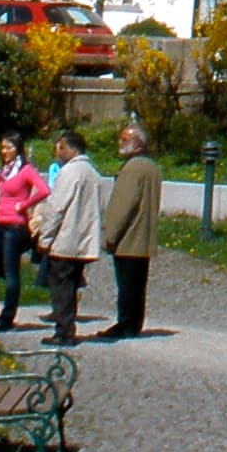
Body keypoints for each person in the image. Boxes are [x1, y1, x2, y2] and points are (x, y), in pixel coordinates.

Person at [29, 127, 105, 347]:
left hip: (65, 240)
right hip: (82, 241)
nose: (57, 152)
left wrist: (44, 239)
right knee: (71, 287)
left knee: (60, 287)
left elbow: (56, 209)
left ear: (71, 148)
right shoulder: (93, 173)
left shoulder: (69, 173)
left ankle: (64, 332)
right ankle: (68, 327)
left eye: (60, 147)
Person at [0, 135, 47, 331]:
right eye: (2, 148)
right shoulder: (6, 171)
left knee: (11, 273)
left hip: (15, 228)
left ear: (17, 148)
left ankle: (7, 318)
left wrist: (23, 205)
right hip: (0, 224)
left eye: (8, 148)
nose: (4, 152)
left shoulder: (26, 170)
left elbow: (44, 190)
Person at [100, 121, 163, 339]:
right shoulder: (152, 167)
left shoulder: (132, 169)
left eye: (124, 140)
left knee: (126, 286)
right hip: (143, 236)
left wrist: (110, 234)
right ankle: (135, 323)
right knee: (138, 286)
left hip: (128, 238)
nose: (120, 143)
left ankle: (124, 324)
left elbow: (123, 204)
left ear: (137, 144)